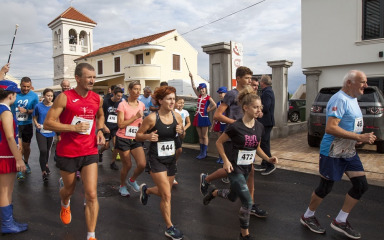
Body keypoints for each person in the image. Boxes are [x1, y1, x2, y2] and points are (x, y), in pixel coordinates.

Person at [300, 70, 375, 239]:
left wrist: (356, 140)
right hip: (332, 150)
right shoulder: (339, 99)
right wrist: (358, 136)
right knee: (325, 187)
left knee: (361, 185)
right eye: (362, 81)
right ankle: (307, 216)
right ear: (349, 82)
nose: (366, 85)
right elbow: (331, 128)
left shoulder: (353, 99)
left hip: (348, 150)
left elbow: (348, 125)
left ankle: (341, 220)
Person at [203, 86, 278, 240]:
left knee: (232, 196)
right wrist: (225, 160)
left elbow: (256, 147)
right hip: (234, 168)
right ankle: (244, 235)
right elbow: (219, 142)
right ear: (245, 108)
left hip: (246, 169)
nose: (259, 110)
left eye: (260, 107)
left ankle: (214, 192)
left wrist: (268, 159)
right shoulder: (235, 126)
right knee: (247, 202)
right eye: (255, 107)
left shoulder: (259, 127)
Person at [44, 63, 105, 240]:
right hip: (68, 152)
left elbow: (99, 115)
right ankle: (65, 202)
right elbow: (48, 123)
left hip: (89, 150)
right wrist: (72, 127)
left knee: (92, 194)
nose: (92, 80)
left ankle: (91, 235)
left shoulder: (97, 98)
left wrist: (99, 130)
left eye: (94, 77)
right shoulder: (64, 97)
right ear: (77, 78)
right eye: (88, 77)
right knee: (69, 190)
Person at [201, 66, 268, 218]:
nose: (250, 80)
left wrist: (258, 112)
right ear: (238, 78)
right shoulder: (231, 94)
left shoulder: (251, 94)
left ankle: (249, 203)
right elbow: (217, 115)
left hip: (247, 138)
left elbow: (254, 112)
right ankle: (207, 179)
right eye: (246, 78)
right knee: (237, 169)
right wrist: (238, 124)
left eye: (251, 78)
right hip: (233, 136)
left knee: (248, 171)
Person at [136, 86, 185, 240]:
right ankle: (169, 227)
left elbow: (180, 137)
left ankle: (147, 191)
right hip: (156, 159)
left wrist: (182, 131)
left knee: (166, 192)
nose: (173, 101)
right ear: (160, 101)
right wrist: (148, 137)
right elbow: (138, 136)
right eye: (169, 99)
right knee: (167, 195)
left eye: (173, 98)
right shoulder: (151, 118)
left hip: (170, 159)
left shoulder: (177, 116)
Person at [0, 80, 28, 234]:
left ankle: (8, 220)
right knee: (5, 191)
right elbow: (10, 137)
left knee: (6, 190)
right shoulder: (5, 111)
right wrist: (19, 158)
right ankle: (6, 224)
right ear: (11, 95)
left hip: (3, 153)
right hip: (5, 154)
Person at [115, 81, 146, 196]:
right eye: (135, 89)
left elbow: (141, 121)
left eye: (139, 89)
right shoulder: (122, 105)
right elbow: (121, 124)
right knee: (127, 165)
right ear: (129, 90)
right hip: (123, 138)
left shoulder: (141, 105)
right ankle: (122, 186)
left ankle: (132, 180)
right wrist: (135, 117)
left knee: (142, 164)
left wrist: (141, 124)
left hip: (135, 138)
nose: (138, 92)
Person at [13, 77, 39, 180]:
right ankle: (19, 168)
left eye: (28, 86)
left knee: (26, 146)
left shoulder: (34, 96)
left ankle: (26, 162)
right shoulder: (15, 94)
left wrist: (26, 111)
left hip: (27, 124)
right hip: (16, 124)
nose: (26, 88)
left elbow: (36, 111)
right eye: (24, 86)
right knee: (19, 146)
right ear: (20, 85)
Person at [189, 73, 216, 159]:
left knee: (204, 136)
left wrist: (208, 111)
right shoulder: (199, 96)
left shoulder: (208, 97)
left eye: (203, 89)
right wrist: (192, 77)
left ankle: (204, 152)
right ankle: (201, 152)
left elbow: (215, 105)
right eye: (200, 89)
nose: (201, 90)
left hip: (204, 117)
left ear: (205, 89)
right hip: (197, 117)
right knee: (200, 136)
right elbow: (193, 87)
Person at [32, 88, 55, 182]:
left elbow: (57, 118)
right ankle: (43, 172)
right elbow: (34, 117)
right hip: (40, 131)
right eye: (48, 95)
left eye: (51, 96)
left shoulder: (55, 106)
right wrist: (36, 123)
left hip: (51, 132)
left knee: (48, 151)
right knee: (43, 150)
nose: (50, 98)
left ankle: (46, 165)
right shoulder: (38, 106)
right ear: (44, 96)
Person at [255, 75, 276, 175]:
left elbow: (266, 107)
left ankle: (270, 164)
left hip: (266, 122)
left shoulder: (267, 92)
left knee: (264, 143)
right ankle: (264, 163)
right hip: (267, 122)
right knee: (265, 143)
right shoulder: (268, 91)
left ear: (262, 83)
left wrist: (257, 109)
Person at [99, 86, 123, 170]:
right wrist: (104, 126)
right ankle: (100, 152)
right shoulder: (106, 102)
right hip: (106, 127)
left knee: (116, 145)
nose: (119, 98)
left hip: (116, 127)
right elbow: (100, 116)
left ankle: (112, 162)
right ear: (113, 94)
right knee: (106, 146)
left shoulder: (120, 103)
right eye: (118, 96)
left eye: (121, 96)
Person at [173, 96, 191, 184]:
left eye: (183, 103)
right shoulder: (173, 111)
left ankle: (174, 162)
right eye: (179, 102)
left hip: (180, 133)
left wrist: (184, 129)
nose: (181, 104)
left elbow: (188, 122)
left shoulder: (185, 112)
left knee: (179, 150)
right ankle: (171, 172)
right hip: (173, 133)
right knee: (174, 150)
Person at [212, 86, 228, 164]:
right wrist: (212, 125)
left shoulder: (229, 103)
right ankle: (220, 156)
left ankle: (224, 158)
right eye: (219, 93)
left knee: (225, 142)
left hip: (226, 124)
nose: (220, 95)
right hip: (219, 123)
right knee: (219, 141)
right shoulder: (218, 103)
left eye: (221, 93)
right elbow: (216, 115)